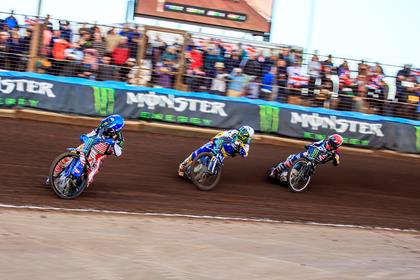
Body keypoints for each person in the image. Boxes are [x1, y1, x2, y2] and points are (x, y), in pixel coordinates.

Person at [178, 126, 254, 177]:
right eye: (243, 131)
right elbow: (223, 134)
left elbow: (245, 154)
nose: (243, 134)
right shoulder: (234, 132)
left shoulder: (246, 144)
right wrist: (215, 138)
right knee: (200, 151)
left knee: (214, 172)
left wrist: (241, 149)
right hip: (218, 143)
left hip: (223, 153)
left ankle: (200, 176)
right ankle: (183, 165)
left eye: (247, 135)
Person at [78, 114, 125, 186]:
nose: (105, 128)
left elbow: (118, 153)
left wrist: (113, 144)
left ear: (114, 130)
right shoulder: (102, 127)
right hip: (88, 147)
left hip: (98, 156)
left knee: (88, 178)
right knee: (68, 157)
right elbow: (91, 134)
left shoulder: (119, 138)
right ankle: (56, 172)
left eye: (108, 127)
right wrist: (85, 137)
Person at [269, 134, 343, 178]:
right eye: (329, 141)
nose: (329, 143)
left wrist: (335, 158)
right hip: (310, 153)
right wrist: (309, 145)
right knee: (291, 160)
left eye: (331, 143)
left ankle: (294, 177)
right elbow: (315, 143)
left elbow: (336, 163)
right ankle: (275, 171)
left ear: (336, 146)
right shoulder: (324, 141)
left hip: (315, 162)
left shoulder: (336, 152)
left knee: (305, 174)